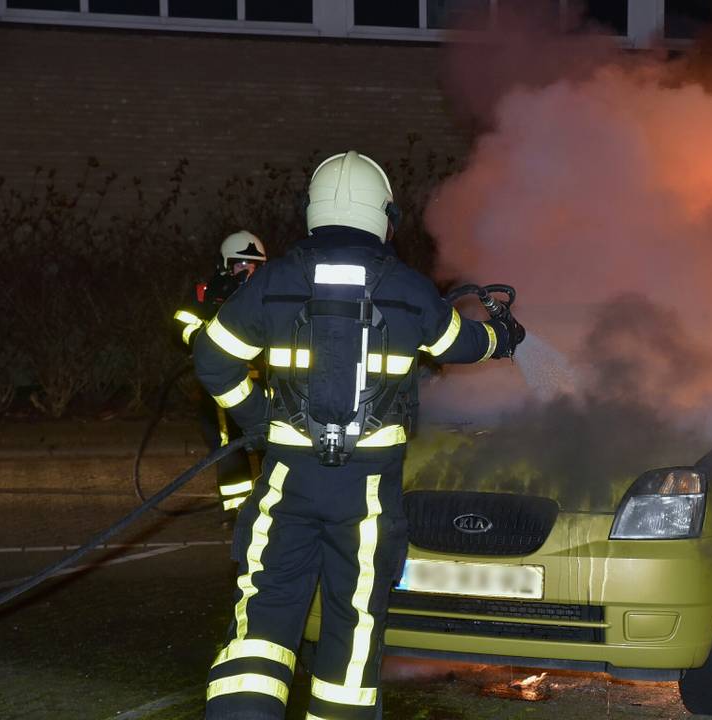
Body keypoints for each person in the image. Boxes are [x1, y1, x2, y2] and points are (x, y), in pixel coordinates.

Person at [193, 151, 523, 719]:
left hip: (288, 483)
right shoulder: (409, 289)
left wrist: (258, 423)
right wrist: (505, 334)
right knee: (353, 623)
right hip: (367, 496)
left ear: (312, 211)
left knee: (265, 615)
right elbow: (463, 346)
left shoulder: (273, 281)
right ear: (385, 216)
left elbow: (212, 359)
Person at [173, 231, 267, 517]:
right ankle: (237, 509)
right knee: (228, 443)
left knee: (270, 440)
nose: (248, 272)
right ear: (226, 265)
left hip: (260, 380)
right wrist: (201, 339)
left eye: (255, 266)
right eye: (241, 265)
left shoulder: (265, 295)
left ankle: (270, 505)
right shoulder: (207, 293)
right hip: (221, 385)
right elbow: (182, 321)